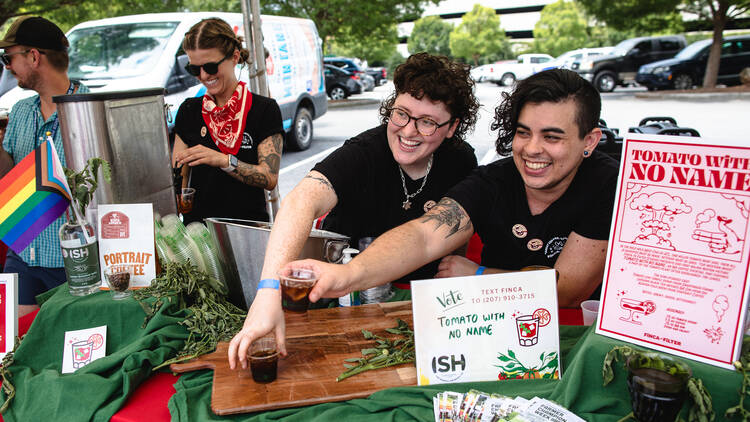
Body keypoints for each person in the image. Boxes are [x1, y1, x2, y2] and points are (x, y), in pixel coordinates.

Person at [284, 68, 619, 313]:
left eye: (552, 136)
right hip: (495, 323)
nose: (532, 149)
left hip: (573, 334)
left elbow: (568, 291)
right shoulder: (493, 180)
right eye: (523, 132)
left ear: (589, 141)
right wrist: (349, 274)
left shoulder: (608, 182)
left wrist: (479, 275)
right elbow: (425, 235)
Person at [228, 52, 479, 368]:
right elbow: (299, 201)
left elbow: (453, 234)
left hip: (422, 304)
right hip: (348, 298)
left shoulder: (461, 161)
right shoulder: (364, 153)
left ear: (452, 126)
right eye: (401, 113)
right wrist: (268, 291)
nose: (408, 131)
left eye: (427, 122)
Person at [0, 16, 90, 317]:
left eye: (8, 57)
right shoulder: (21, 110)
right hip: (23, 249)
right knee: (9, 345)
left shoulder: (88, 108)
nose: (7, 66)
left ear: (34, 56)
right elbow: (6, 176)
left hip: (75, 259)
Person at [172, 18, 283, 224]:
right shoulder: (189, 110)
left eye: (211, 67)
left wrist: (223, 160)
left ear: (234, 57)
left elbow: (269, 178)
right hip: (199, 234)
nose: (204, 76)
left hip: (247, 230)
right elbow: (180, 176)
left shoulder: (264, 109)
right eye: (195, 69)